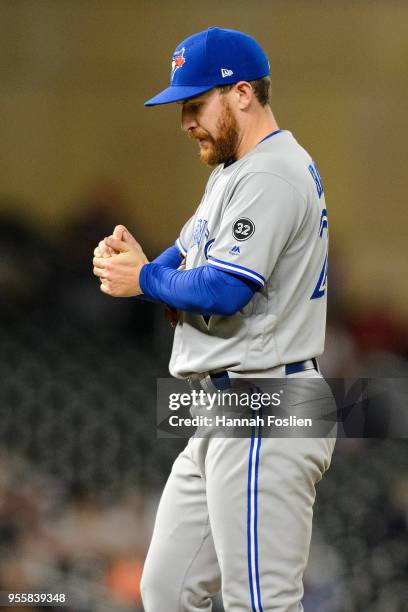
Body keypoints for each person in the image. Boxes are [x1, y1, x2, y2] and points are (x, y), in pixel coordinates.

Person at [93, 26, 336, 612]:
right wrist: (143, 266)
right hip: (224, 406)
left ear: (243, 94)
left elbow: (225, 290)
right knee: (168, 590)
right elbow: (183, 258)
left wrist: (145, 280)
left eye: (196, 104)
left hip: (264, 402)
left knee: (261, 602)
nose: (185, 121)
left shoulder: (270, 173)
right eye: (182, 106)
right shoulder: (234, 171)